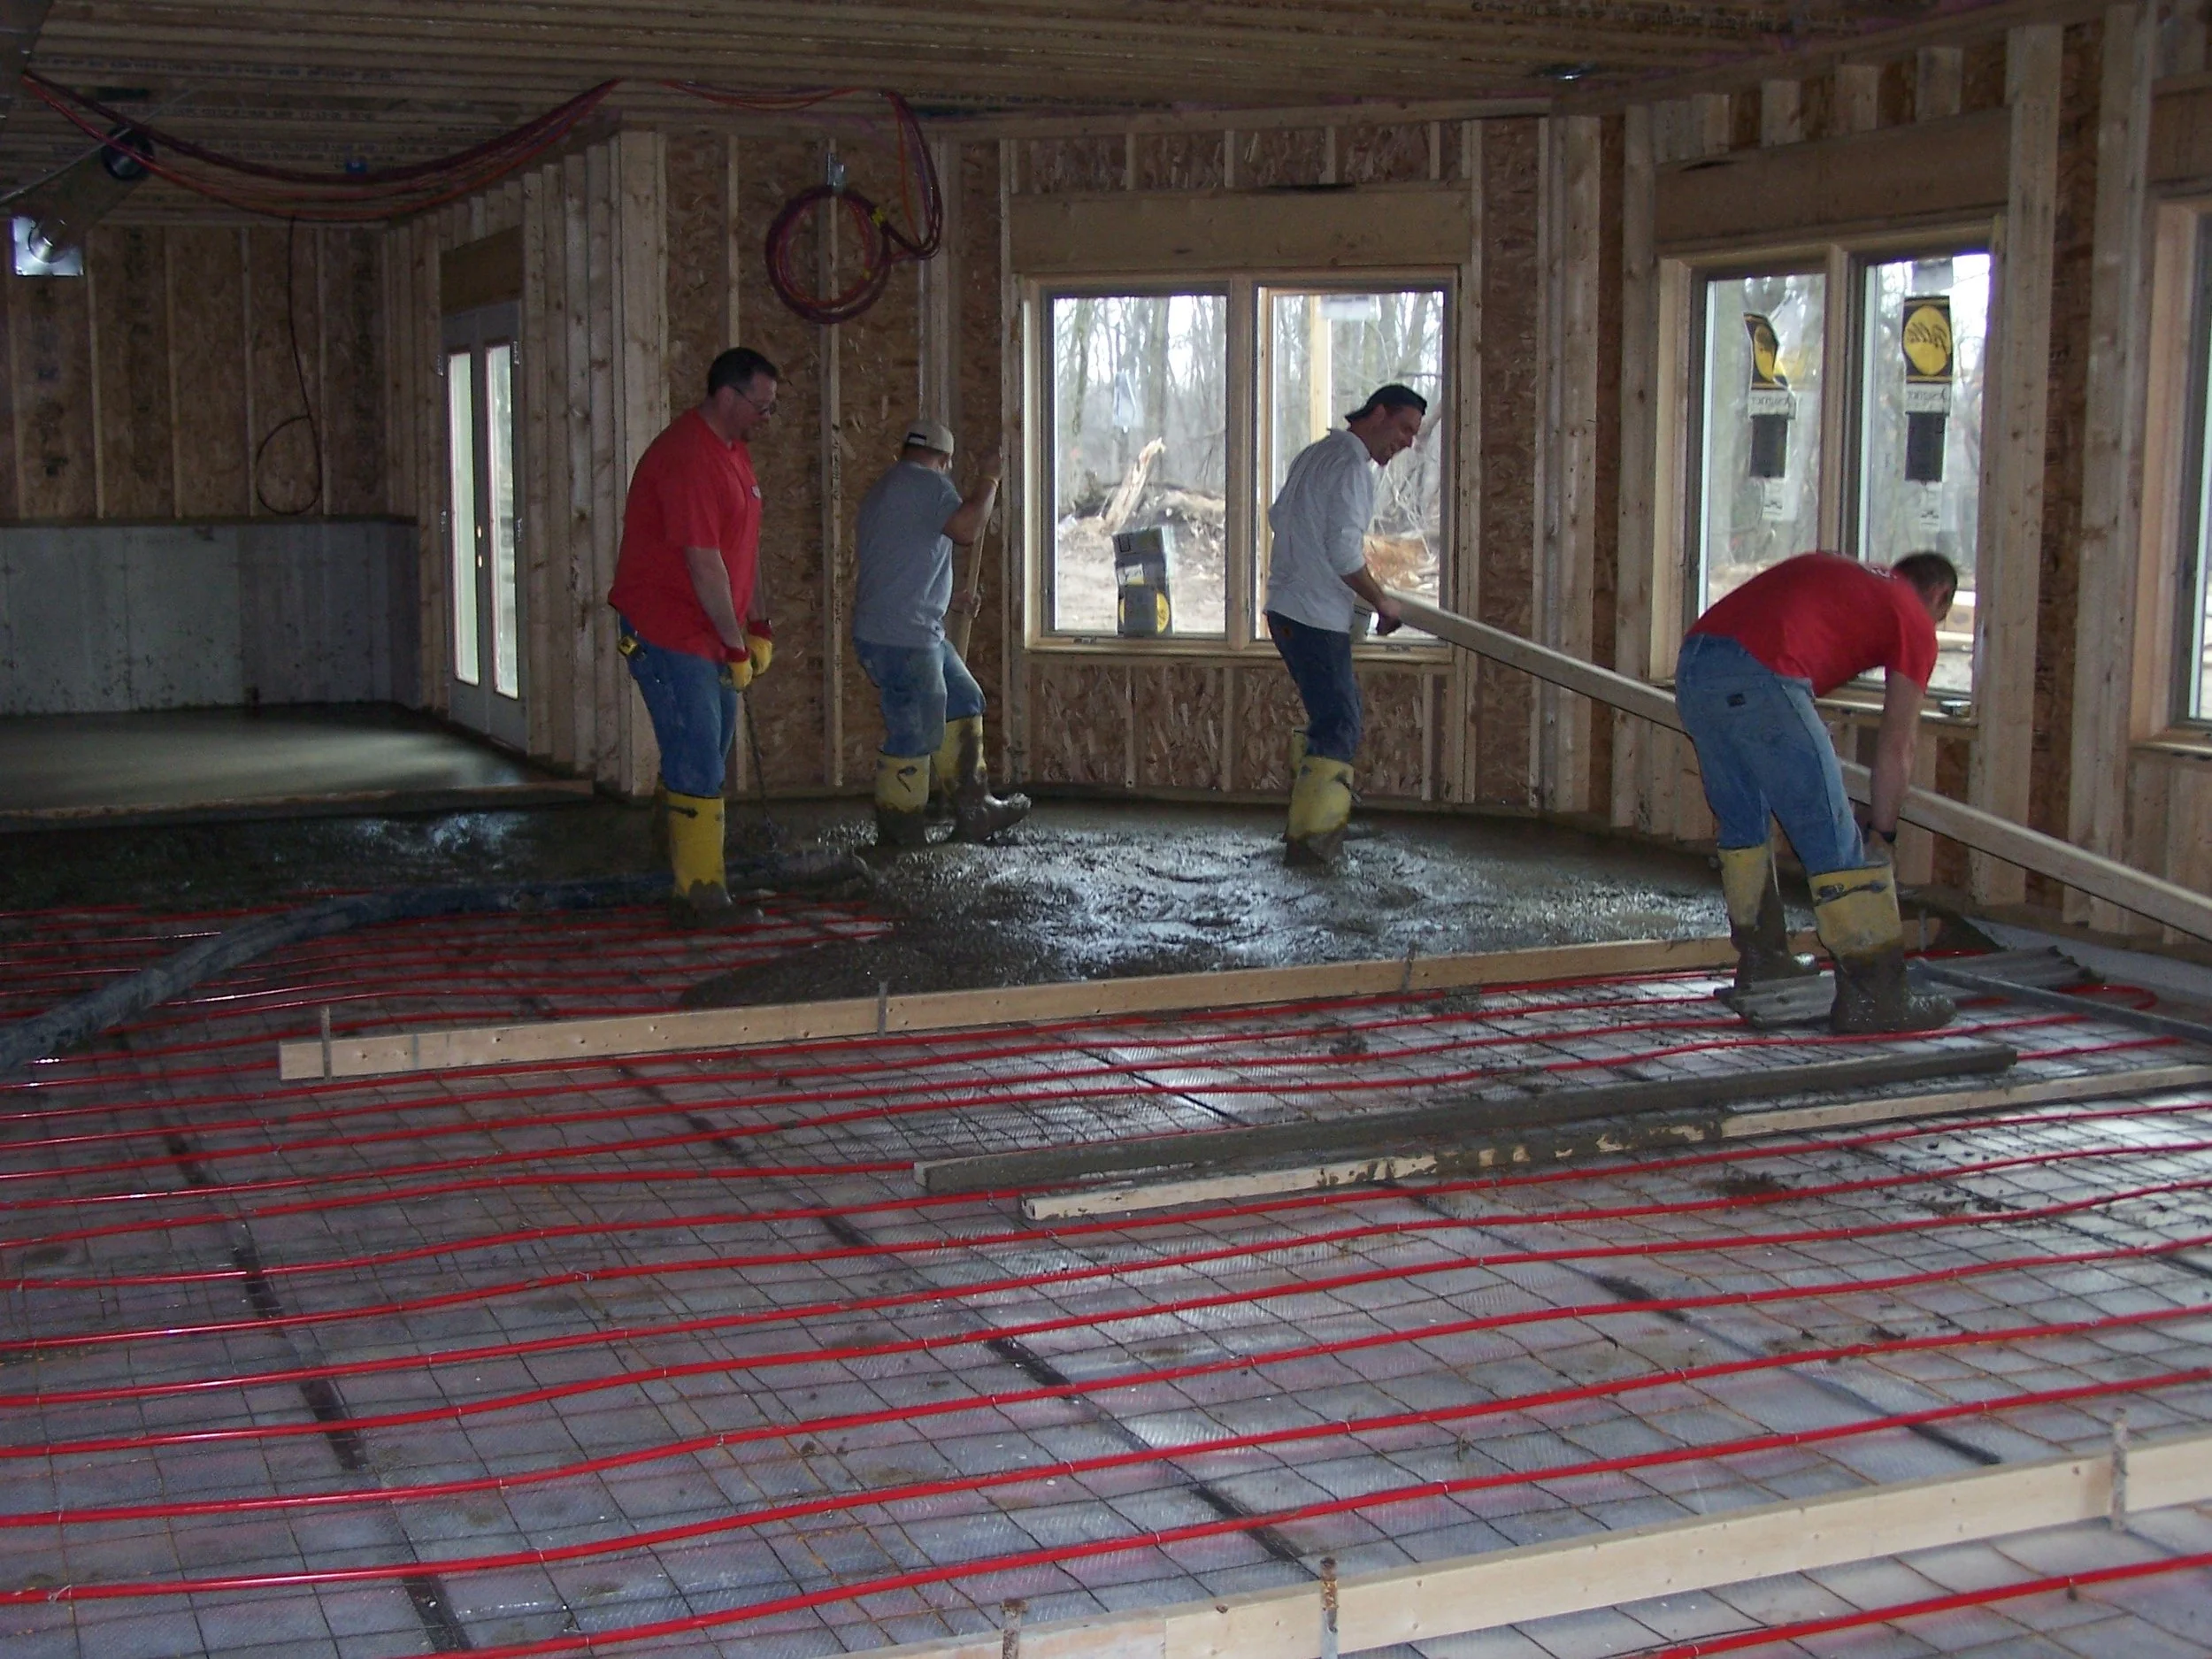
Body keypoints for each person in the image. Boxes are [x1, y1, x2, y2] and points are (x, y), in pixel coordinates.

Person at [1675, 549, 1960, 1033]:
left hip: (1696, 667)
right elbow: (1898, 746)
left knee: (1744, 824)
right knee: (1835, 839)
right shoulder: (1913, 614)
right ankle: (1876, 997)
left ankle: (1762, 960)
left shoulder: (1854, 575)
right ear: (1936, 595)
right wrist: (1883, 834)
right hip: (1763, 674)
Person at [606, 346, 780, 926]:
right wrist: (735, 644)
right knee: (699, 753)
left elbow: (742, 551)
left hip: (711, 629)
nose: (767, 418)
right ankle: (699, 893)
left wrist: (757, 625)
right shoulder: (687, 458)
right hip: (671, 629)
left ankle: (675, 856)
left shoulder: (734, 453)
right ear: (728, 396)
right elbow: (705, 563)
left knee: (704, 746)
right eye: (762, 405)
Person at [1263, 383, 1429, 865]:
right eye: (1403, 428)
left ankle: (1309, 824)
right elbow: (1341, 552)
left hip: (1289, 608)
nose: (1407, 443)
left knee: (1330, 717)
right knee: (1341, 723)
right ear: (1377, 413)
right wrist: (1381, 601)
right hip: (1314, 615)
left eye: (1414, 435)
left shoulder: (1315, 454)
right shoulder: (1354, 468)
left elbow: (1281, 520)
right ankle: (1314, 843)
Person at [852, 417, 1029, 849]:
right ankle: (900, 830)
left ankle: (975, 807)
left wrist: (947, 600)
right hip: (906, 639)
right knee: (913, 732)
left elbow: (899, 564)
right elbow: (967, 530)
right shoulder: (930, 486)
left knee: (965, 698)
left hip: (907, 630)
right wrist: (989, 479)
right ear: (945, 460)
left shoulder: (884, 491)